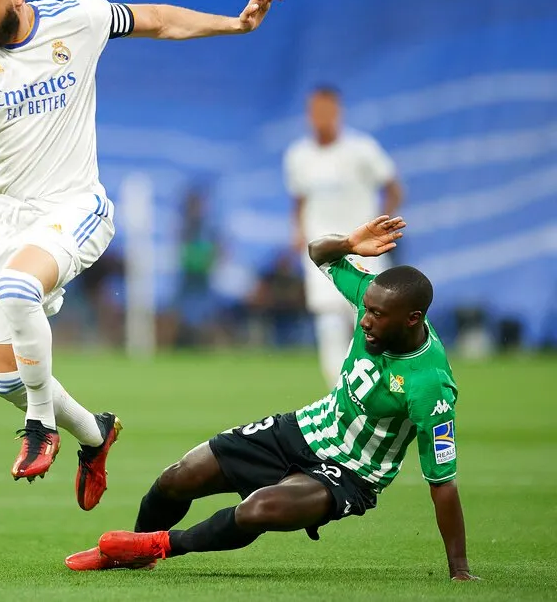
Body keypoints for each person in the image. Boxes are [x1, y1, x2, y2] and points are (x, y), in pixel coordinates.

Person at [0, 0, 283, 509]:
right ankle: (94, 434)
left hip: (77, 206)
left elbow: (158, 20)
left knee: (18, 289)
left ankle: (40, 429)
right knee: (5, 379)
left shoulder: (76, 20)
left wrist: (236, 24)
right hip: (5, 218)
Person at [66, 215, 478, 583]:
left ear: (412, 319)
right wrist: (350, 244)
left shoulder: (430, 387)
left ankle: (154, 547)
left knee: (256, 510)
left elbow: (443, 483)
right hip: (304, 427)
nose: (366, 320)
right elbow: (319, 253)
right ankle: (132, 554)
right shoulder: (374, 296)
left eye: (377, 316)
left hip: (351, 473)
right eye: (365, 310)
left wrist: (458, 570)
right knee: (180, 475)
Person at [284, 86, 404, 388]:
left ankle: (374, 387)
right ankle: (339, 391)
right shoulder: (299, 156)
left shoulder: (362, 150)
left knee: (371, 320)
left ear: (338, 112)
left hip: (366, 250)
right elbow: (298, 200)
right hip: (324, 251)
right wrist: (298, 232)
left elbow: (393, 188)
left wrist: (383, 224)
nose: (320, 117)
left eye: (326, 109)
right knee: (328, 322)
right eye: (314, 110)